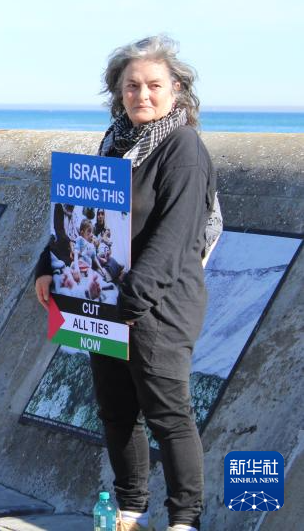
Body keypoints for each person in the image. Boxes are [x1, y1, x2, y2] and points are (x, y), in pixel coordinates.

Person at [35, 35, 220, 531]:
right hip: (105, 301)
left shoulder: (182, 148)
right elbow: (78, 215)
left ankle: (184, 520)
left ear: (176, 89)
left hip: (158, 306)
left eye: (154, 85)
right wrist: (47, 265)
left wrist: (131, 300)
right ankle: (131, 509)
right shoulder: (113, 143)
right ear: (118, 92)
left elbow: (176, 236)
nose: (143, 95)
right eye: (132, 86)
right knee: (116, 412)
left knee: (168, 414)